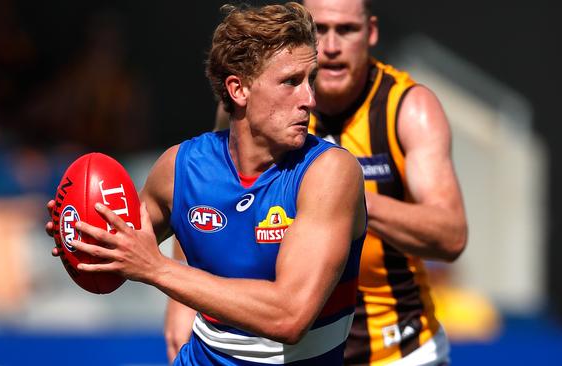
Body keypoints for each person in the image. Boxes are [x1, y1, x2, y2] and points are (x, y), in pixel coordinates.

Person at [46, 3, 366, 365]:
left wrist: (159, 269)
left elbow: (289, 316)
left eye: (311, 79)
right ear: (238, 89)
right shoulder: (179, 168)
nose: (309, 98)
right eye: (291, 81)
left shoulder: (329, 172)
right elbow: (118, 255)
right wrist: (76, 230)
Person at [169, 0, 468, 364]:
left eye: (346, 30)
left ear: (371, 32)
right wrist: (180, 305)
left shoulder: (407, 109)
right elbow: (208, 199)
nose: (330, 46)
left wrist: (346, 201)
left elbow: (450, 234)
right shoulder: (256, 110)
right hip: (295, 353)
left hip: (395, 350)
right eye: (319, 29)